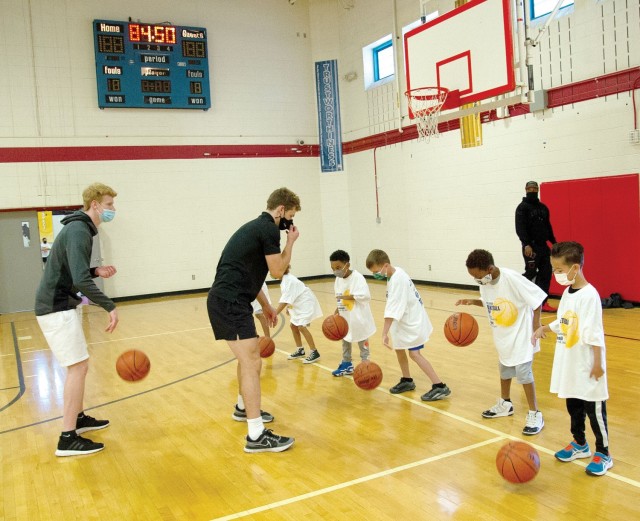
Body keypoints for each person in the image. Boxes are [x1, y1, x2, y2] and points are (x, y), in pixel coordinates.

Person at [207, 187, 300, 453]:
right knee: (252, 361)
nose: (290, 224)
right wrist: (291, 242)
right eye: (290, 217)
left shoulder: (256, 228)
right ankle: (256, 435)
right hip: (229, 302)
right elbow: (277, 270)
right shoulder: (268, 229)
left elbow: (251, 275)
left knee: (248, 360)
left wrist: (267, 306)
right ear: (281, 210)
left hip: (233, 299)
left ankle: (242, 407)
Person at [35, 183, 119, 457]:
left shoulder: (78, 228)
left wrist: (96, 270)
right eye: (109, 205)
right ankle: (67, 438)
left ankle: (79, 418)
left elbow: (76, 271)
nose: (112, 210)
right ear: (94, 205)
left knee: (79, 365)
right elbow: (80, 279)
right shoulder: (79, 230)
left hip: (61, 304)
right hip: (56, 308)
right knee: (77, 367)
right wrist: (109, 305)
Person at [532, 241, 612, 475]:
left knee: (594, 410)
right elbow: (565, 320)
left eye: (559, 270)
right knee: (573, 406)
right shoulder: (568, 292)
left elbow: (595, 333)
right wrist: (544, 328)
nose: (555, 274)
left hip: (588, 364)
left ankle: (604, 453)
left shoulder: (590, 296)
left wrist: (597, 363)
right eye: (554, 269)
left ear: (574, 268)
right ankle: (580, 443)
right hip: (570, 362)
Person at [457, 249, 546, 435]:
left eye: (478, 276)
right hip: (502, 335)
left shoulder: (512, 279)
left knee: (524, 374)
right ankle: (505, 403)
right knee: (504, 369)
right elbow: (490, 301)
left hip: (522, 335)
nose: (477, 280)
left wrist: (536, 325)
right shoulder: (485, 282)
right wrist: (472, 301)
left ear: (490, 269)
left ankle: (535, 413)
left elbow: (537, 300)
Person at [365, 249, 451, 401]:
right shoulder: (395, 271)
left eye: (377, 271)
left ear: (385, 265)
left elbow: (391, 311)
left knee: (414, 354)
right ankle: (407, 380)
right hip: (403, 321)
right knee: (399, 349)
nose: (375, 275)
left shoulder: (398, 280)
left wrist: (384, 333)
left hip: (413, 322)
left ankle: (440, 386)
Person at [329, 249, 376, 377]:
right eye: (333, 268)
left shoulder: (358, 278)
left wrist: (344, 298)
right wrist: (337, 310)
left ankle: (366, 365)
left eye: (338, 267)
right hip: (346, 315)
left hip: (359, 317)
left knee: (362, 341)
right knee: (345, 339)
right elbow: (339, 297)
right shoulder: (338, 280)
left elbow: (365, 296)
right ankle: (346, 364)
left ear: (347, 265)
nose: (335, 271)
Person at [515, 180, 557, 312]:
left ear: (538, 190)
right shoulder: (522, 208)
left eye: (535, 188)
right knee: (531, 273)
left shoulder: (543, 208)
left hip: (543, 246)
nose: (533, 191)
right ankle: (518, 297)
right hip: (530, 247)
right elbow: (520, 228)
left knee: (546, 273)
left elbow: (547, 227)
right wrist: (526, 244)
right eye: (530, 189)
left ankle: (542, 303)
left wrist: (554, 242)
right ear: (526, 190)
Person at [276, 266, 323, 364]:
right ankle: (300, 350)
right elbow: (290, 295)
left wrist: (274, 313)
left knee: (301, 327)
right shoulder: (284, 280)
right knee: (293, 326)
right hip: (298, 303)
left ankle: (314, 352)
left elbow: (285, 300)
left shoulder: (289, 280)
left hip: (306, 302)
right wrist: (289, 307)